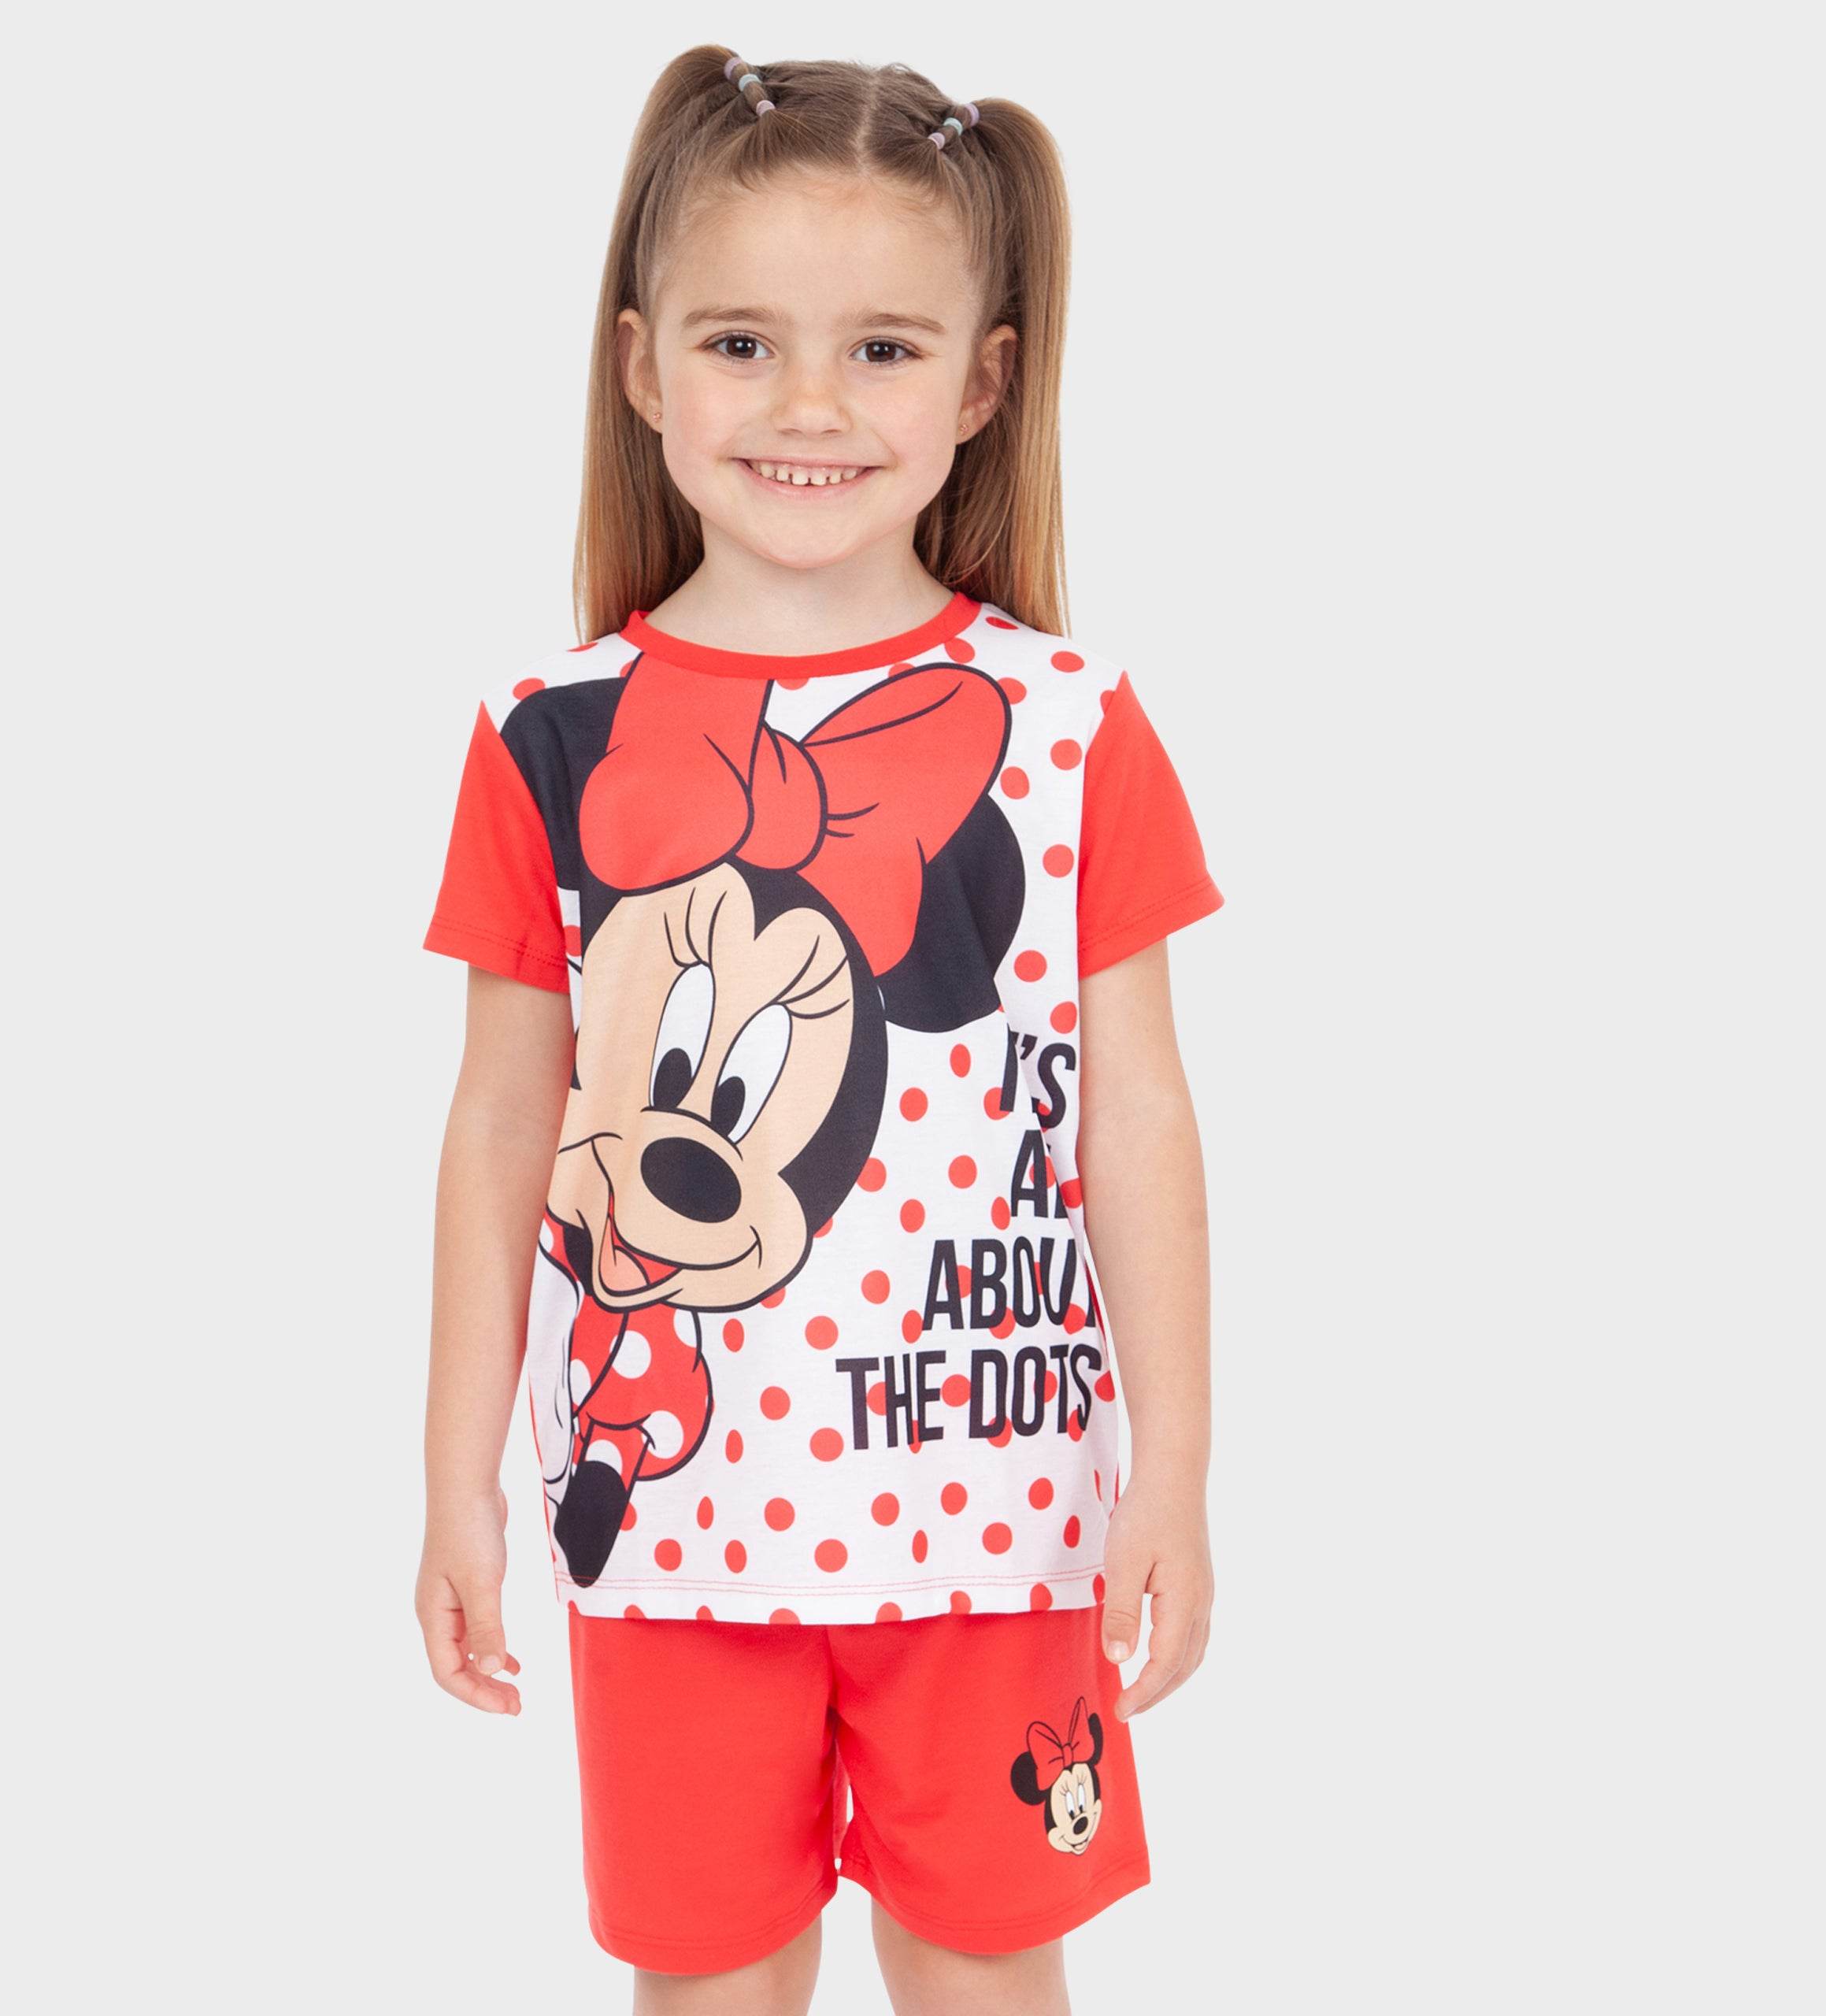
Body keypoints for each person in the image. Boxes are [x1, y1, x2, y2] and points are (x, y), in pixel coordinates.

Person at [415, 47, 1224, 2016]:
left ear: (982, 382)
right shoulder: (546, 737)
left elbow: (1135, 1119)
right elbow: (501, 1121)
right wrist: (456, 1474)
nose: (804, 405)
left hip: (996, 1519)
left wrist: (1175, 1467)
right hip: (674, 1522)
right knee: (707, 1978)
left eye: (878, 349)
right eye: (739, 342)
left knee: (983, 1964)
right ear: (639, 368)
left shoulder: (1067, 727)